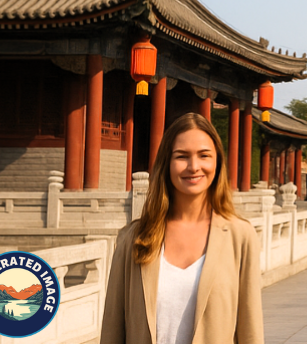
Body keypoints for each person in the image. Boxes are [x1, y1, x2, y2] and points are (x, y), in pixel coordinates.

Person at [102, 113, 263, 344]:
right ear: (167, 163)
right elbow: (112, 329)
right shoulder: (135, 238)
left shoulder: (240, 237)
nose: (194, 167)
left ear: (217, 163)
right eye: (182, 156)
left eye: (204, 156)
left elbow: (251, 330)